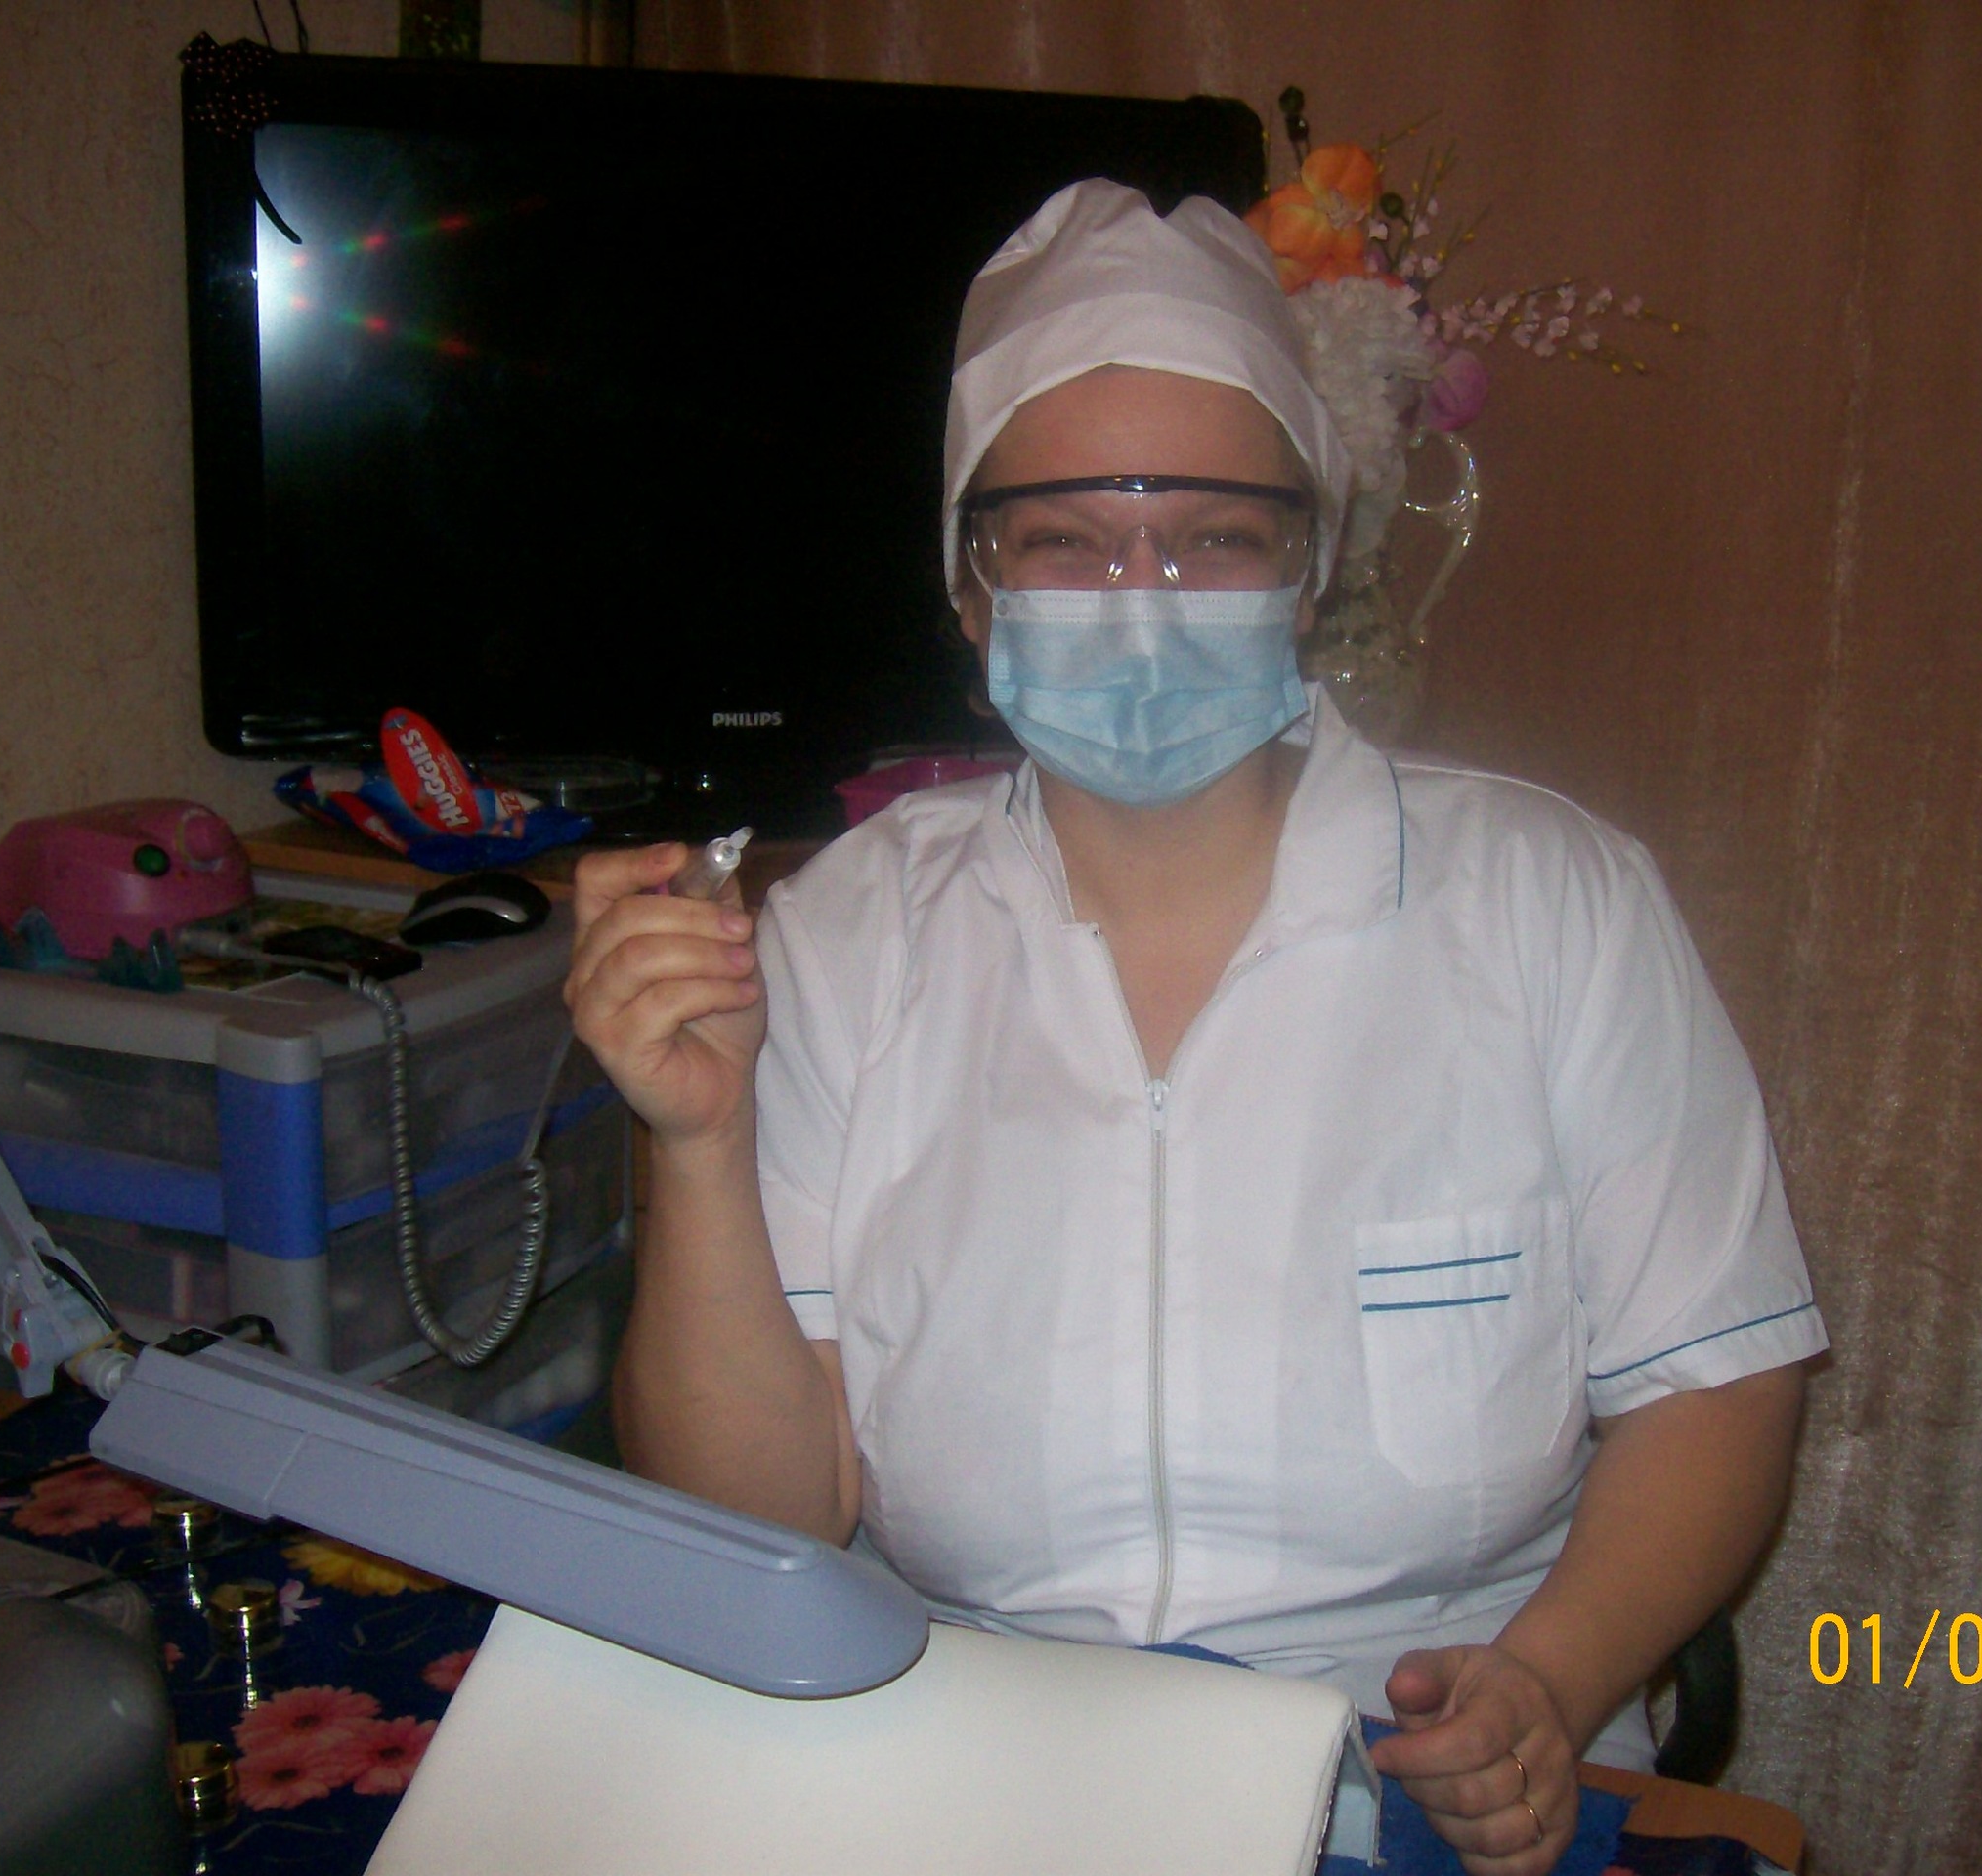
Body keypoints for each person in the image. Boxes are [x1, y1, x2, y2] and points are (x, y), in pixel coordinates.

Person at [565, 180, 1826, 1876]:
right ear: (970, 586)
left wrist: (1551, 1680)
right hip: (975, 1760)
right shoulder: (848, 937)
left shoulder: (1553, 901)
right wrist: (699, 1146)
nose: (1141, 596)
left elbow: (1714, 1377)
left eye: (1215, 536)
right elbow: (763, 1526)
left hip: (1418, 1768)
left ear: (1308, 570)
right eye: (1065, 539)